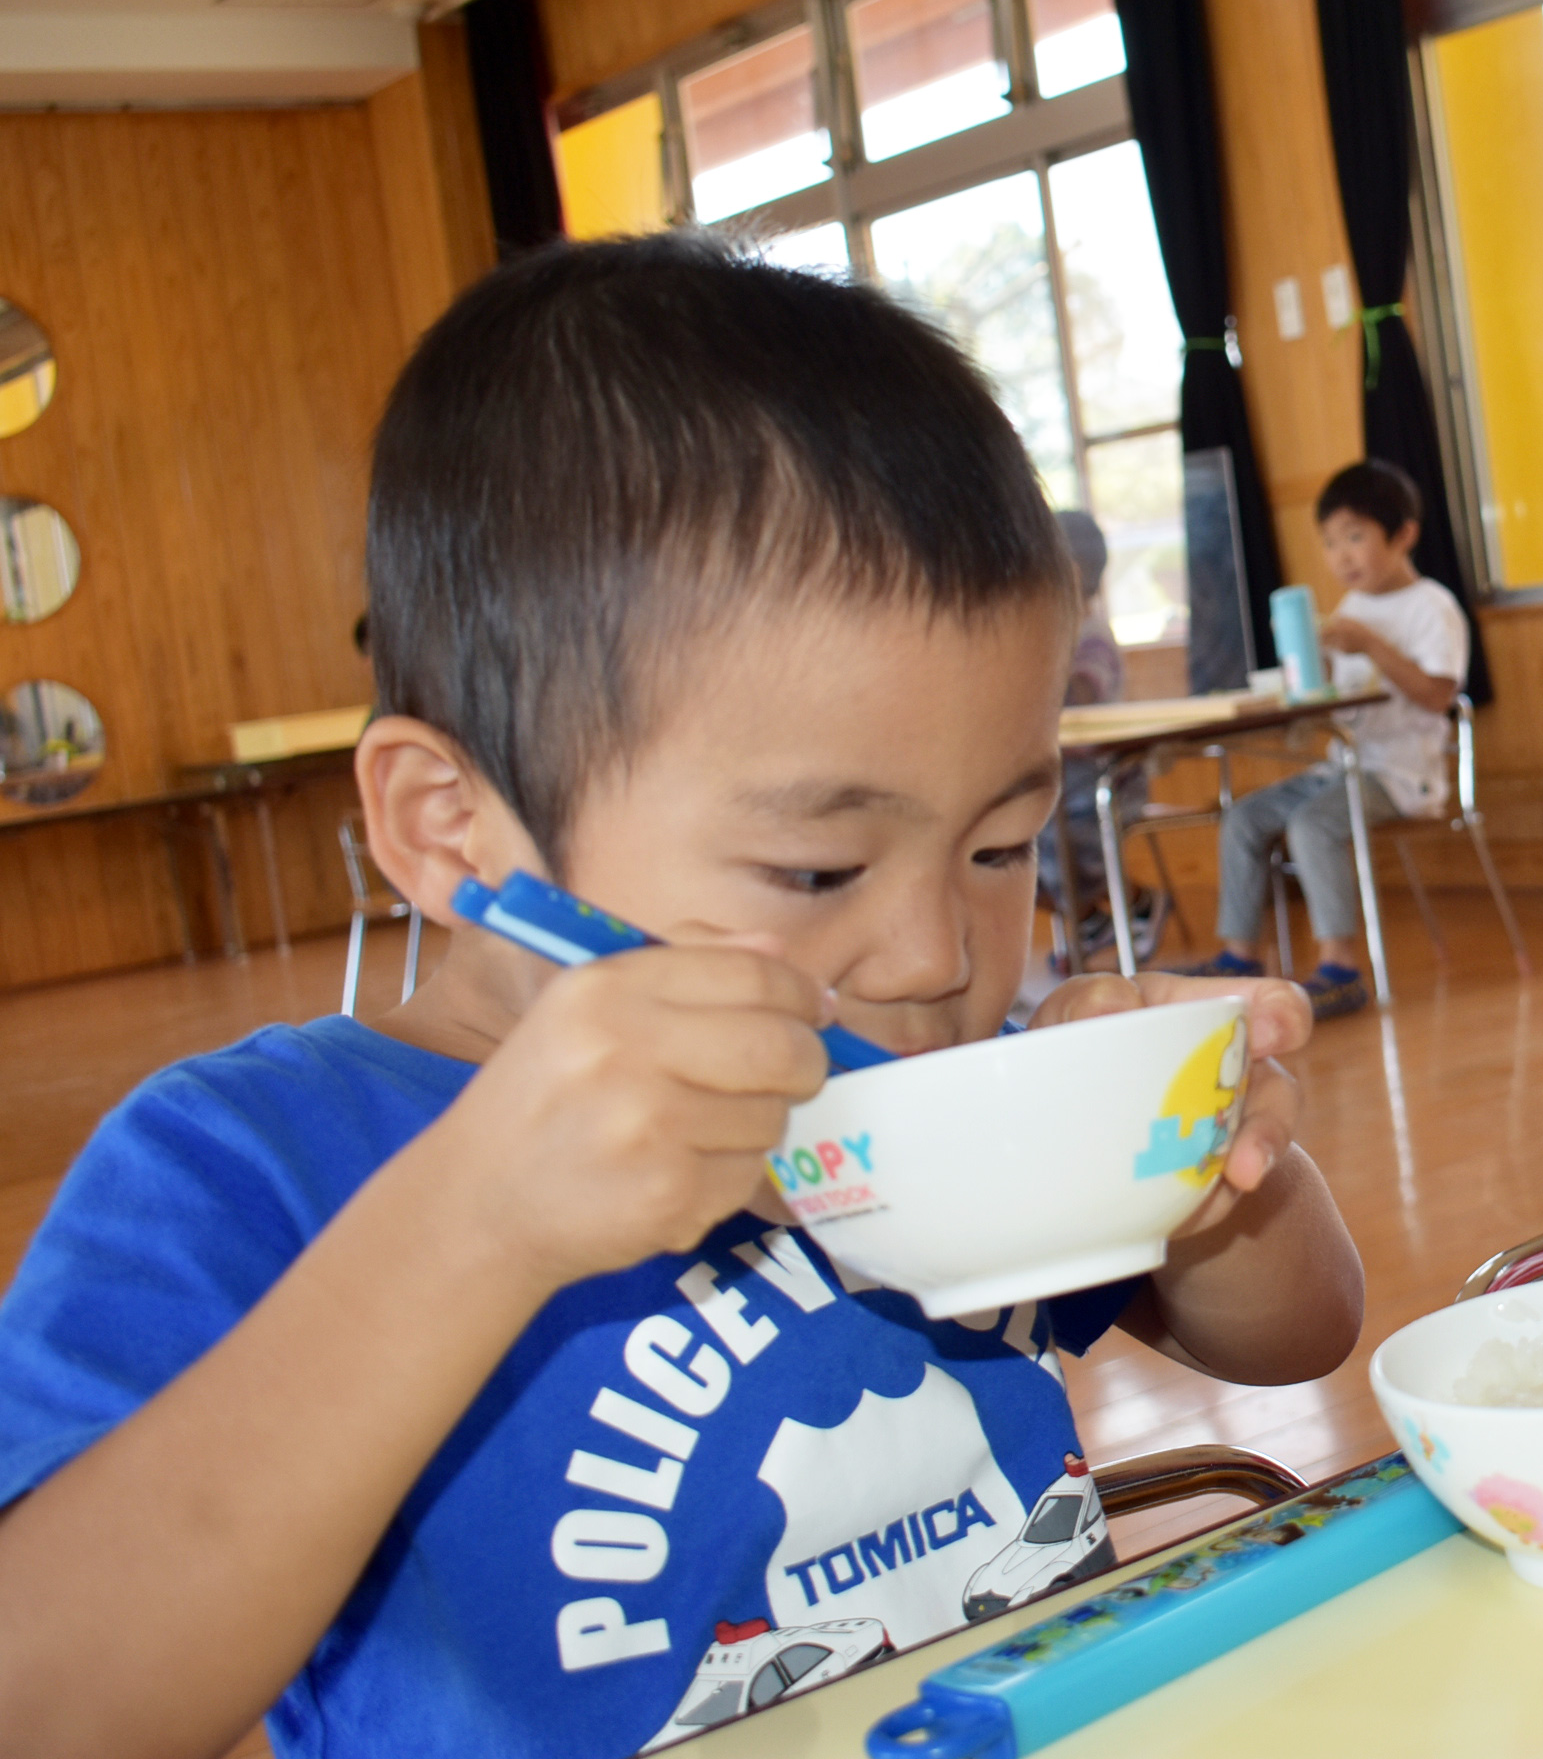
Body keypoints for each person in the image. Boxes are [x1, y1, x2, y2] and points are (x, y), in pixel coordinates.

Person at [0, 237, 1364, 1758]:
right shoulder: (249, 1166)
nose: (934, 954)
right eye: (814, 868)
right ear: (454, 830)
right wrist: (469, 1225)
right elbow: (50, 1699)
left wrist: (1218, 1161)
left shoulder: (935, 1076)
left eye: (998, 841)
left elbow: (1297, 1333)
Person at [1176, 460, 1466, 1020]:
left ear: (1403, 534)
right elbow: (1336, 696)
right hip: (1343, 766)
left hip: (1405, 775)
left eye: (1356, 537)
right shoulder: (1351, 611)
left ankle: (1340, 966)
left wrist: (1372, 645)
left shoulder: (1433, 606)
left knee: (1314, 823)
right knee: (1243, 818)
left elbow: (1437, 695)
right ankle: (1240, 956)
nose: (1342, 556)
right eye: (1331, 543)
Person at [1036, 508, 1161, 968]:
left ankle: (1133, 905)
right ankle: (1093, 922)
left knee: (1062, 840)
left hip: (1108, 777)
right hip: (1063, 778)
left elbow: (1079, 692)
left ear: (1072, 571)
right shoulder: (1050, 631)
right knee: (1016, 840)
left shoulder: (1092, 636)